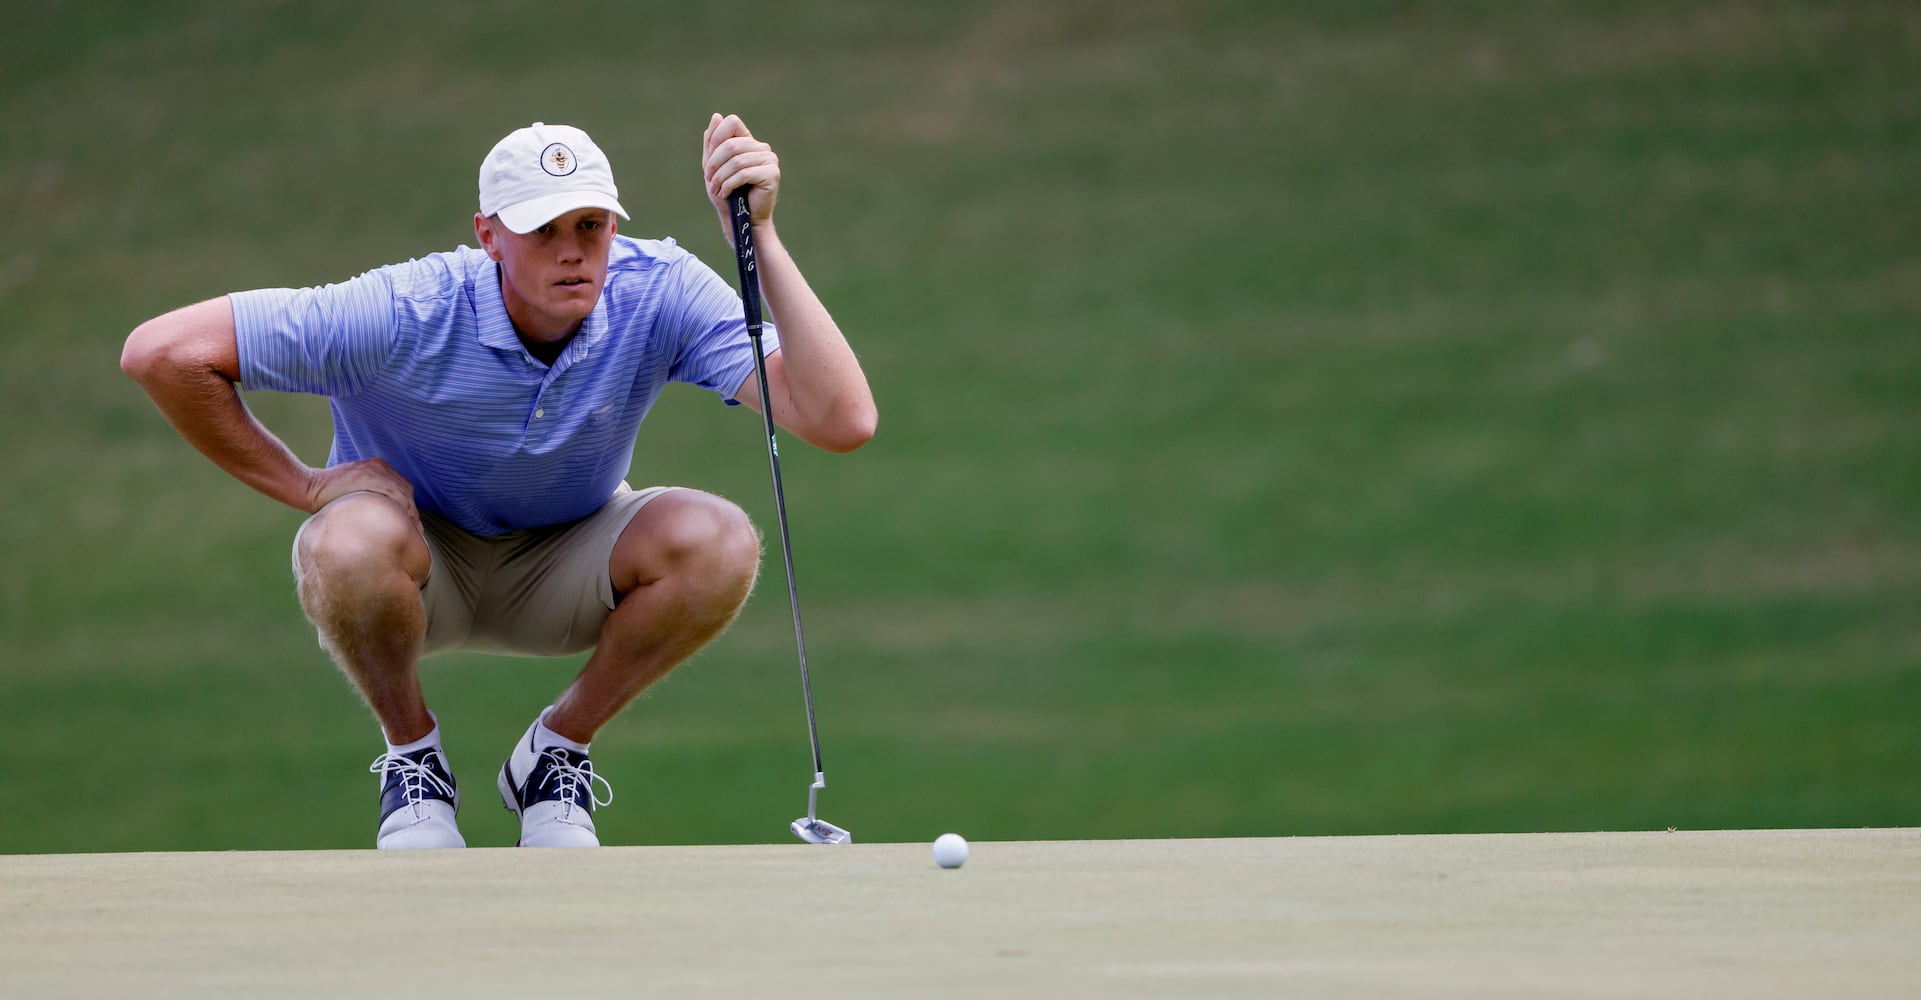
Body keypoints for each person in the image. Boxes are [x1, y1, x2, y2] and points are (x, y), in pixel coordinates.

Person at [120, 116, 876, 849]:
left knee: (719, 539)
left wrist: (761, 239)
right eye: (542, 231)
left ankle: (555, 758)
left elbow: (839, 419)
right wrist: (307, 484)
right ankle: (413, 760)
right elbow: (162, 353)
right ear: (488, 236)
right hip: (415, 565)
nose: (572, 252)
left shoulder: (659, 289)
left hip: (570, 559)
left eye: (590, 226)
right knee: (345, 538)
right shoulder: (402, 309)